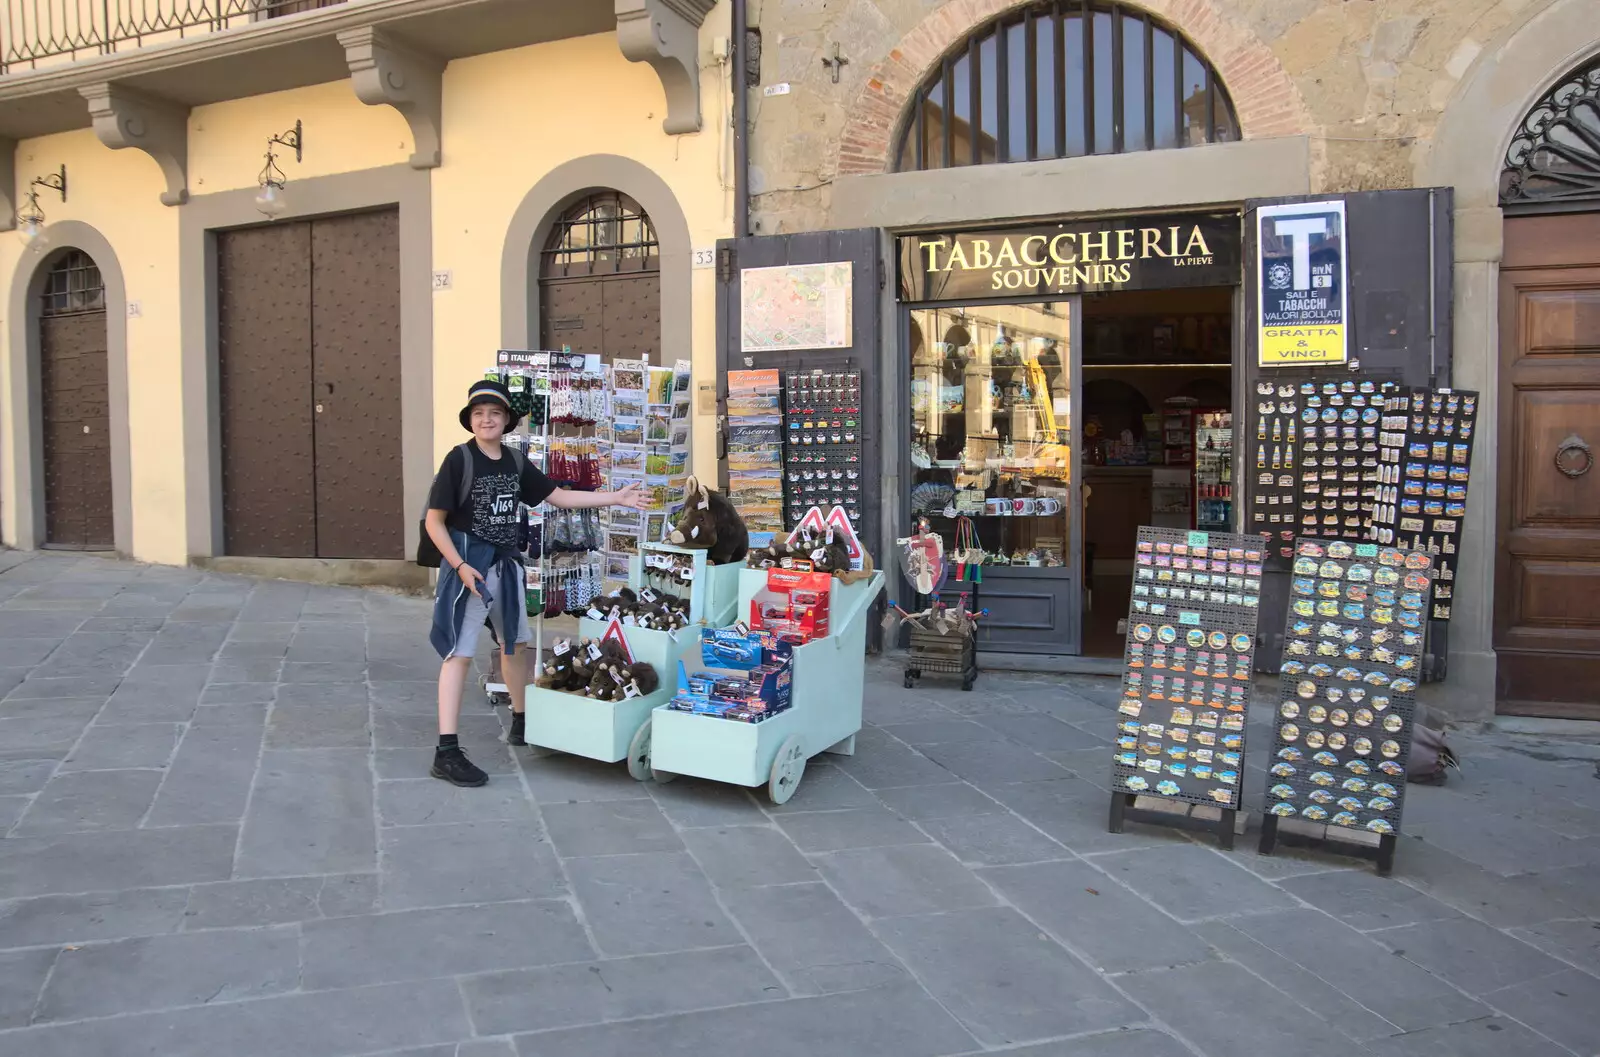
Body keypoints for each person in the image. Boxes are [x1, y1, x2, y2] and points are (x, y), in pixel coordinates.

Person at [424, 379, 649, 786]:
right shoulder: (458, 460)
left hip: (506, 568)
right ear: (470, 420)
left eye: (494, 413)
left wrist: (615, 498)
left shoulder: (514, 460)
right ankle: (446, 750)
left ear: (506, 419)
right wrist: (458, 566)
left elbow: (558, 496)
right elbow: (433, 521)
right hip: (469, 571)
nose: (486, 419)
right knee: (458, 653)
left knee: (516, 643)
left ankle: (521, 720)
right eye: (478, 413)